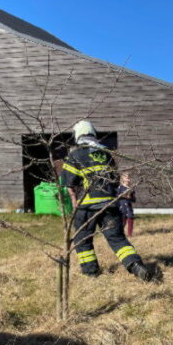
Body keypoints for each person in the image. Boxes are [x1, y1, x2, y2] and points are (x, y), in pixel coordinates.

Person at [61, 120, 152, 281]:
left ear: (77, 135)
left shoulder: (75, 154)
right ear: (93, 134)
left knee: (82, 239)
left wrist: (74, 200)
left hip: (87, 207)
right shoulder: (106, 154)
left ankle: (91, 273)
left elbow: (69, 183)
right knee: (117, 238)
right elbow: (114, 179)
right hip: (110, 204)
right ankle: (136, 266)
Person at [118, 172, 136, 238]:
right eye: (128, 178)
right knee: (122, 222)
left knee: (130, 220)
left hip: (129, 208)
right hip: (122, 207)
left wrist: (130, 197)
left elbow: (134, 200)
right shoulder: (120, 187)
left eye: (130, 178)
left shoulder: (131, 188)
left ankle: (129, 235)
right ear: (123, 179)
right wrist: (122, 195)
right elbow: (116, 197)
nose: (129, 179)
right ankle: (120, 234)